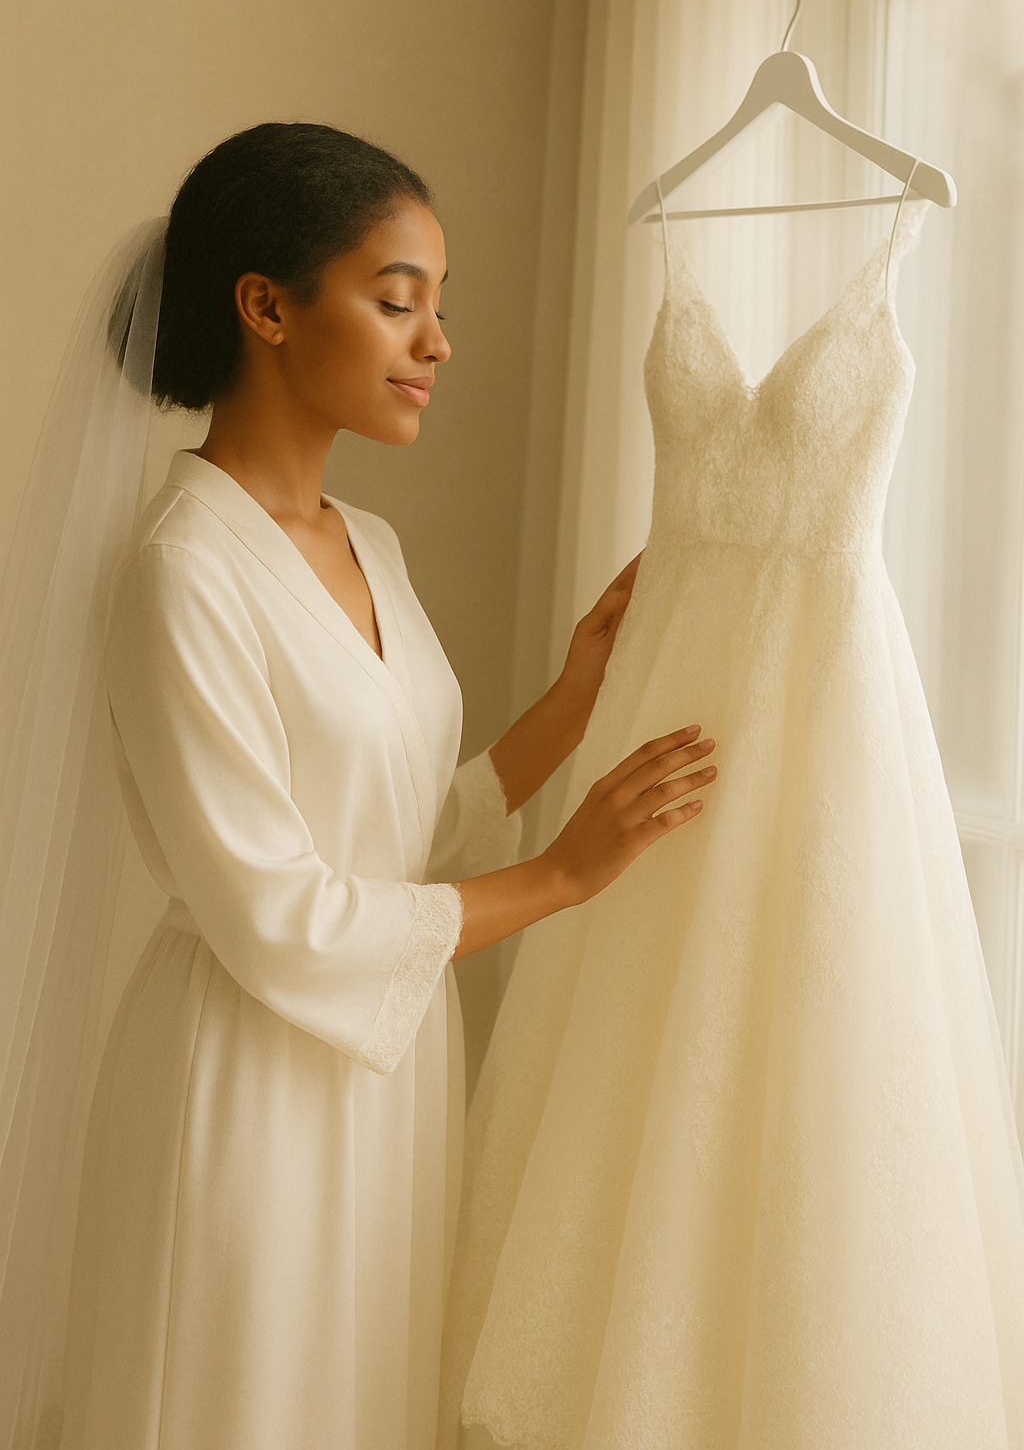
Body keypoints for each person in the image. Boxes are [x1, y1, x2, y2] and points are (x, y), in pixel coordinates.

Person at [5, 122, 717, 1450]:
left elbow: (395, 829)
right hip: (246, 1075)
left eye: (439, 306)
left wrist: (569, 704)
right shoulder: (182, 571)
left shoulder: (367, 543)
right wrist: (561, 877)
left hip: (386, 1067)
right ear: (267, 307)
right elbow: (276, 910)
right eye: (399, 302)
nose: (437, 343)